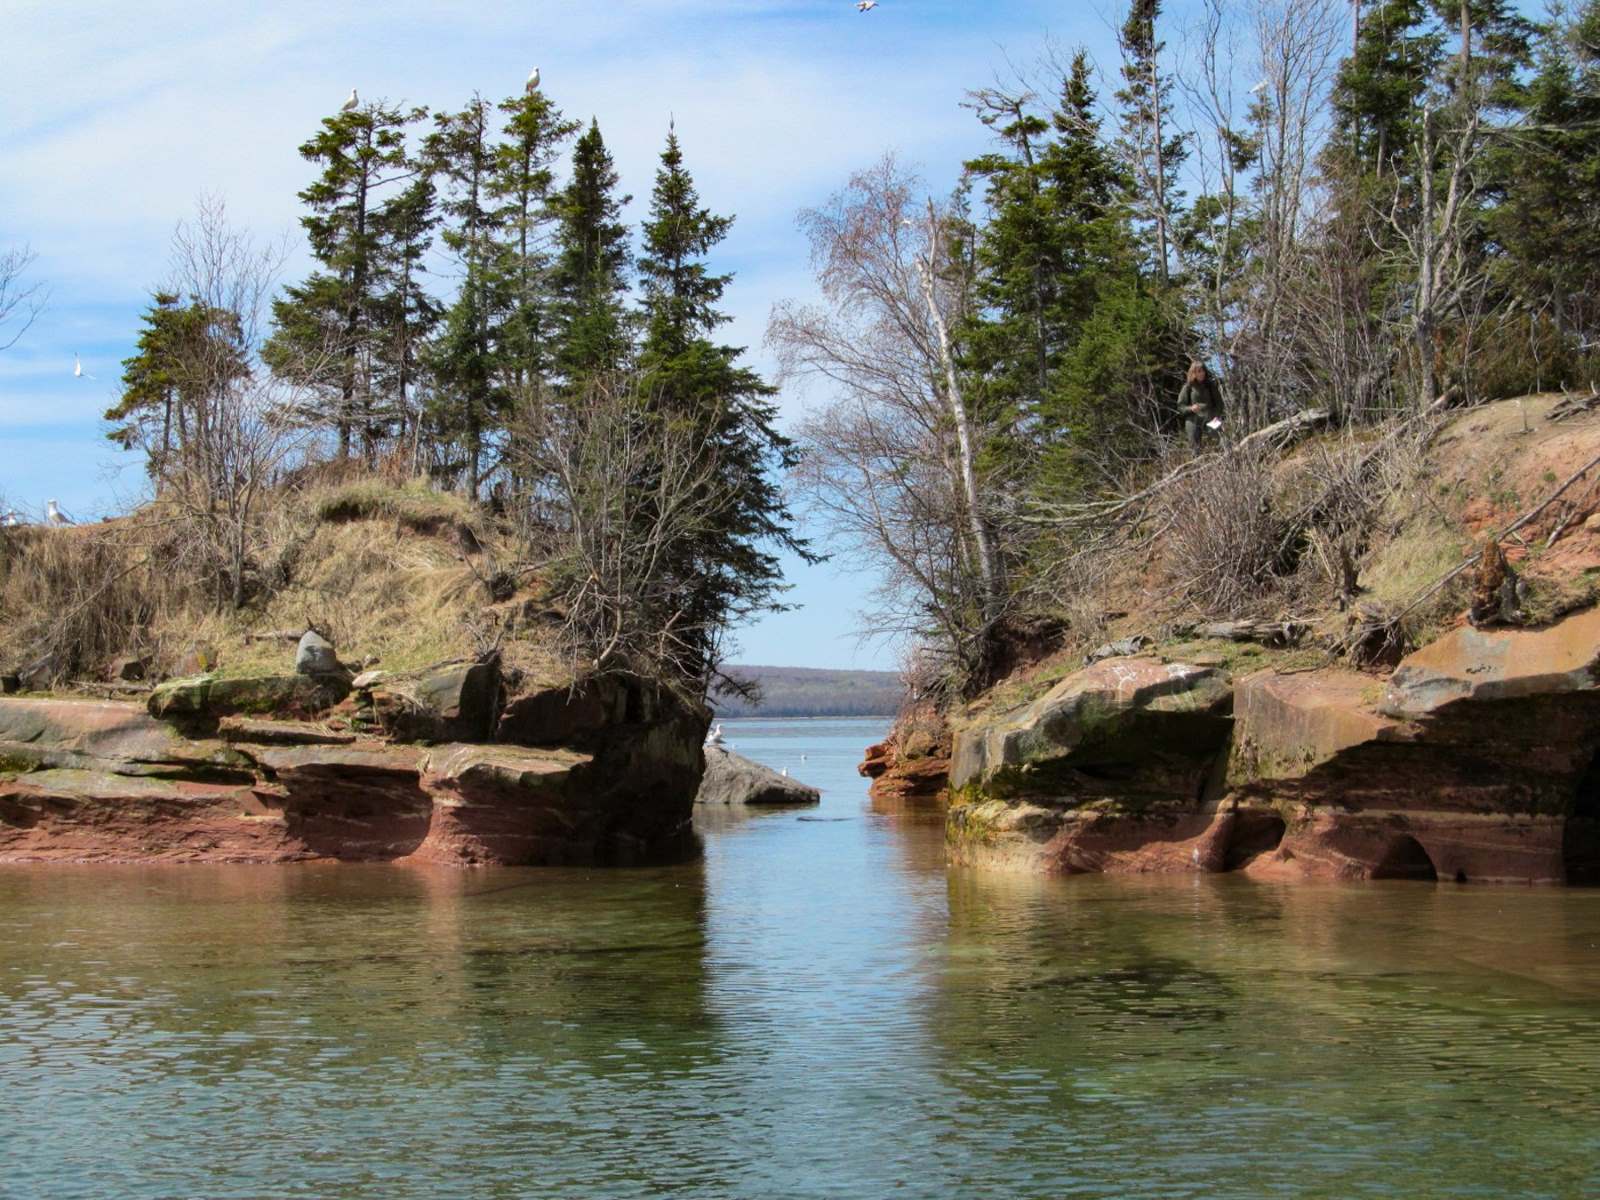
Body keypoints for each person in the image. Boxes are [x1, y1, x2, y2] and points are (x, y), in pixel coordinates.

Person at [1178, 361, 1224, 450]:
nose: (1201, 373)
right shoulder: (1188, 387)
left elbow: (1219, 404)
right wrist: (1190, 408)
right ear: (1193, 373)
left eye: (1203, 371)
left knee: (1221, 441)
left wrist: (1217, 416)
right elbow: (1180, 407)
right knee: (1195, 448)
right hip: (1193, 419)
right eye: (1198, 371)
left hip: (1211, 417)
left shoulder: (1211, 385)